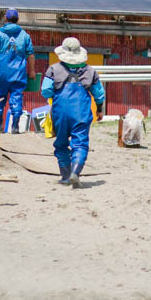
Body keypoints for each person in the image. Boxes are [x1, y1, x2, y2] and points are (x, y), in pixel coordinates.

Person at [41, 37, 105, 188]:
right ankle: (75, 172)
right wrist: (100, 109)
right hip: (81, 112)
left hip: (60, 112)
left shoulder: (53, 69)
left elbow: (46, 91)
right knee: (80, 143)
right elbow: (99, 94)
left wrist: (53, 96)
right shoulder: (90, 71)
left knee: (61, 143)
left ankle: (65, 176)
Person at [0, 8, 34, 133]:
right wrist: (31, 71)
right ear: (17, 20)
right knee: (17, 97)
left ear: (6, 19)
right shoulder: (24, 35)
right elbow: (30, 55)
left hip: (2, 72)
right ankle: (15, 127)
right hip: (19, 72)